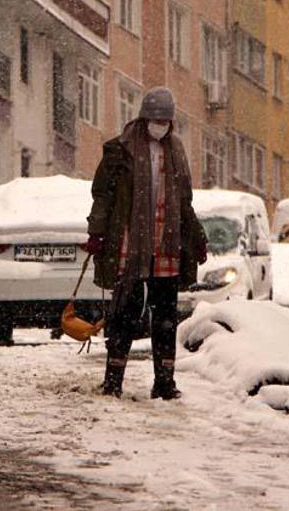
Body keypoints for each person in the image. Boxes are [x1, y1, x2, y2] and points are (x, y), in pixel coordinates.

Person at [86, 87, 208, 399]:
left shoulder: (176, 150)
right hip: (130, 243)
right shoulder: (120, 150)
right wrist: (97, 233)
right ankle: (113, 381)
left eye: (165, 120)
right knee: (124, 313)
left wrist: (197, 238)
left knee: (166, 316)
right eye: (155, 119)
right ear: (144, 118)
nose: (160, 125)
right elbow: (103, 196)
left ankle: (164, 383)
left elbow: (184, 202)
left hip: (166, 245)